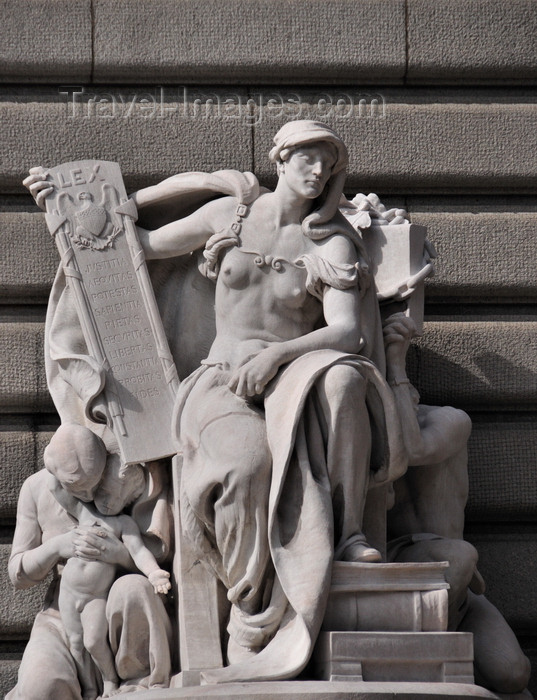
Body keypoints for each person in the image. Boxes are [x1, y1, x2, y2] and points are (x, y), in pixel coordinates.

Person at [383, 313, 531, 694]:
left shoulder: (450, 420)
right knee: (460, 555)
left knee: (512, 674)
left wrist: (397, 368)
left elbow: (413, 450)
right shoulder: (362, 438)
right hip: (401, 568)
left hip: (456, 580)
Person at [6, 424, 172, 700]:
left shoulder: (124, 479)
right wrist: (57, 546)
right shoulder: (36, 489)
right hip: (63, 615)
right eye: (77, 489)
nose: (89, 496)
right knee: (41, 688)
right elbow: (18, 574)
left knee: (133, 589)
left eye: (94, 485)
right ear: (52, 470)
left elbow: (162, 556)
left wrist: (117, 554)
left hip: (119, 613)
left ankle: (130, 679)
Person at [48, 450, 171, 699]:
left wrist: (155, 573)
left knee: (93, 642)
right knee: (75, 644)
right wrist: (59, 457)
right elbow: (57, 487)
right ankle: (90, 690)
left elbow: (139, 552)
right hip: (69, 594)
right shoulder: (85, 512)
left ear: (128, 499)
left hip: (95, 596)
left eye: (115, 499)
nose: (106, 502)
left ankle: (109, 679)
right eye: (103, 493)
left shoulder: (123, 525)